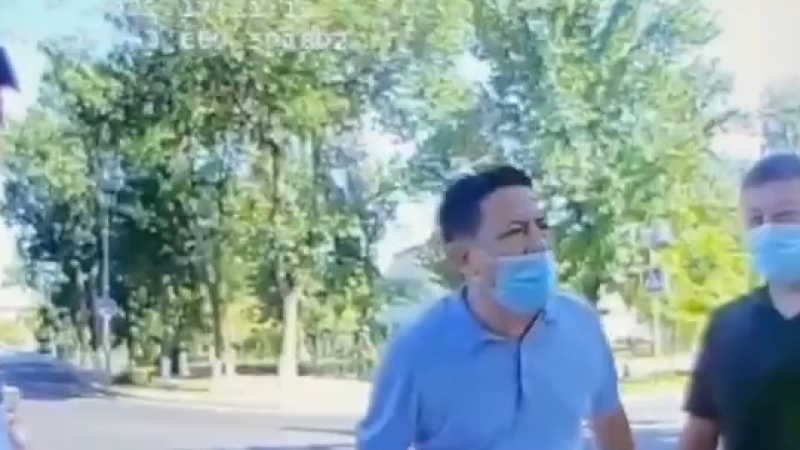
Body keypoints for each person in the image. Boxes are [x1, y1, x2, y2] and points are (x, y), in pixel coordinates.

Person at [357, 165, 634, 450]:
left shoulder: (582, 325)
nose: (538, 244)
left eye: (541, 226)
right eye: (516, 232)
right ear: (465, 259)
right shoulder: (416, 350)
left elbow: (610, 419)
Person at [679, 152, 800, 450]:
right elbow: (701, 431)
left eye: (786, 216)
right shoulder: (727, 326)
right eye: (756, 220)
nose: (768, 230)